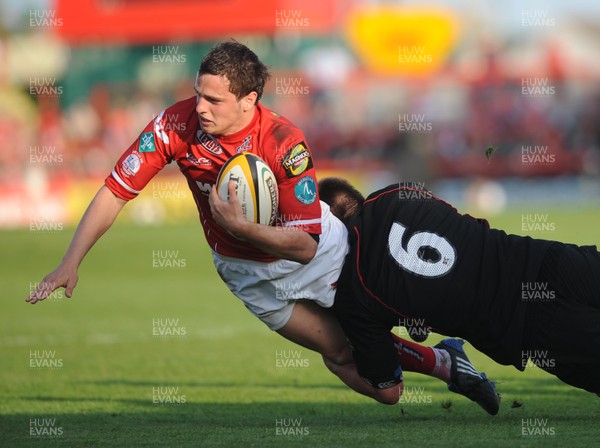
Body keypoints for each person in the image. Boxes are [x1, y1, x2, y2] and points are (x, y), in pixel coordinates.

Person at [26, 41, 498, 413]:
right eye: (197, 93)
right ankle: (443, 361)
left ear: (249, 99)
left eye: (213, 99)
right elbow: (116, 189)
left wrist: (241, 226)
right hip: (246, 275)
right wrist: (71, 261)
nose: (200, 107)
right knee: (359, 371)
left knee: (385, 324)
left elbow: (307, 246)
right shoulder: (174, 125)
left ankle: (463, 339)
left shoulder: (283, 142)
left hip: (319, 255)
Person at [319, 177, 600, 396]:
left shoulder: (353, 292)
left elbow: (388, 387)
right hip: (548, 258)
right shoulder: (396, 194)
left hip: (525, 323)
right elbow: (462, 228)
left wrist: (336, 363)